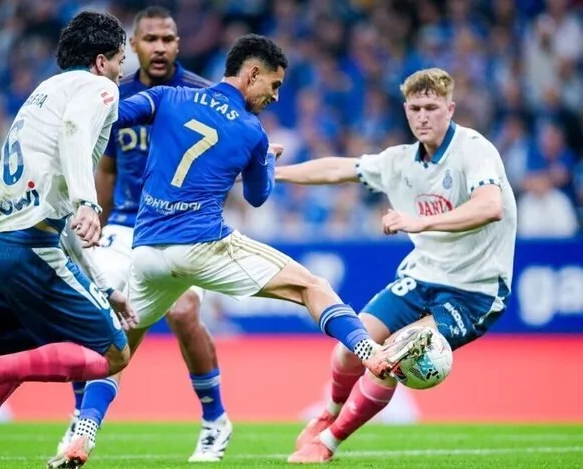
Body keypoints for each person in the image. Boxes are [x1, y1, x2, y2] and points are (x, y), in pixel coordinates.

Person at [64, 33, 433, 466]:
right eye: (273, 85)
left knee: (117, 353)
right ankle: (372, 354)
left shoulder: (166, 96)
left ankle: (82, 435)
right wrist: (267, 159)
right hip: (202, 244)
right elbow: (258, 197)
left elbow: (113, 116)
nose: (275, 96)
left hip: (146, 252)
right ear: (252, 73)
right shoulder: (251, 130)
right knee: (311, 286)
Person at [0, 11, 136, 469]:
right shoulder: (98, 89)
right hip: (28, 244)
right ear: (101, 61)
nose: (121, 70)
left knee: (16, 360)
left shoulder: (43, 94)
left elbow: (57, 212)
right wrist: (89, 203)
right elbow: (75, 139)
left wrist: (105, 288)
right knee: (113, 353)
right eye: (119, 59)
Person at [275, 68, 517, 464]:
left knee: (391, 356)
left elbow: (490, 206)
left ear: (450, 109)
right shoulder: (400, 161)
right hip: (421, 277)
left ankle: (328, 443)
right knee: (352, 347)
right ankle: (328, 413)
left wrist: (421, 222)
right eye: (415, 108)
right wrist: (274, 173)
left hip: (474, 290)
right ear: (406, 111)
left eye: (432, 108)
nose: (423, 116)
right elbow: (339, 169)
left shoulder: (474, 150)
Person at [55, 6, 232, 464]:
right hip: (124, 223)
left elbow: (222, 165)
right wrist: (92, 219)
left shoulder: (203, 95)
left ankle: (215, 419)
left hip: (181, 226)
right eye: (150, 39)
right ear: (132, 45)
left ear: (178, 44)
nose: (159, 47)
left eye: (167, 39)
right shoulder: (114, 95)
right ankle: (81, 417)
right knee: (93, 308)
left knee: (184, 311)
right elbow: (108, 169)